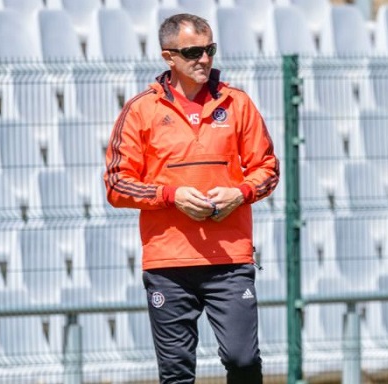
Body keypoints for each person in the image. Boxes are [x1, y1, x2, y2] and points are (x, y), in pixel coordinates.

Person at [104, 13, 279, 384]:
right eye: (193, 52)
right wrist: (171, 195)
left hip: (230, 260)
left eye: (209, 49)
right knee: (176, 373)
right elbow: (117, 184)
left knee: (243, 359)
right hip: (168, 263)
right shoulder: (140, 110)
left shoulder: (238, 104)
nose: (204, 59)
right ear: (168, 57)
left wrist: (240, 192)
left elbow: (268, 169)